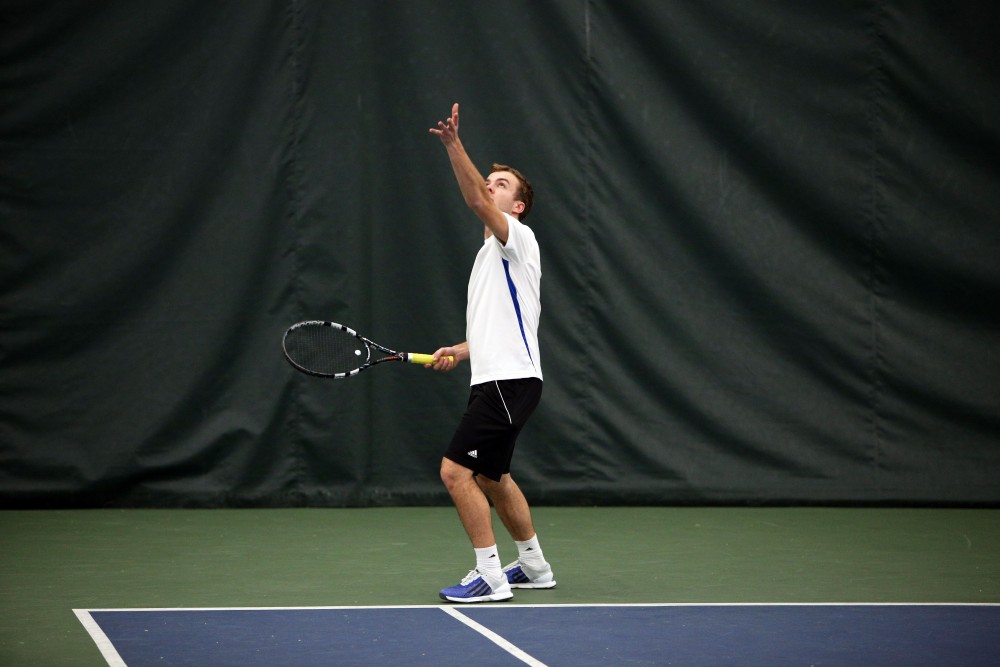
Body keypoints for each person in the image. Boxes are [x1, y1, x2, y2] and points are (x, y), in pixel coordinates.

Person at [427, 103, 555, 603]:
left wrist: (454, 145)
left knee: (454, 472)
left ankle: (490, 576)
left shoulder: (517, 239)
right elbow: (500, 327)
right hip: (503, 377)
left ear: (518, 207)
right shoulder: (489, 257)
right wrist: (461, 351)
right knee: (491, 475)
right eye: (492, 181)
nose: (490, 187)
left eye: (501, 184)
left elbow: (479, 202)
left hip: (507, 381)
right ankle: (534, 566)